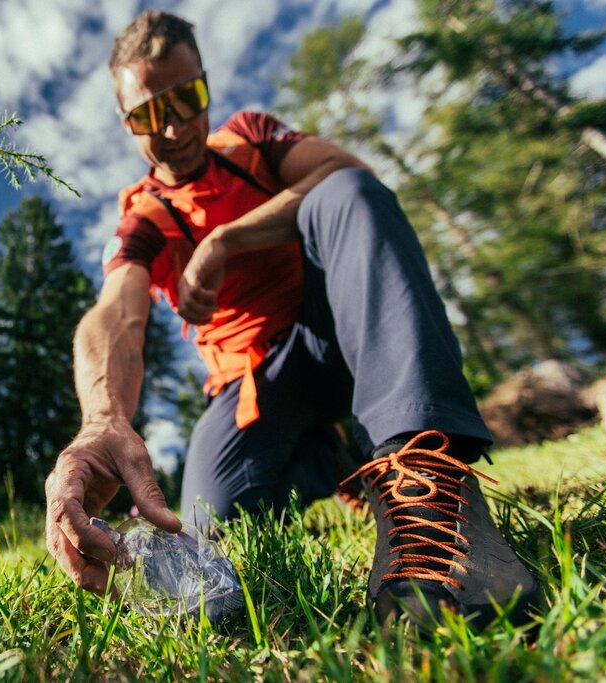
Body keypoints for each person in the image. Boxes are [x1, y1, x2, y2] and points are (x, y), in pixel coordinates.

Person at [45, 9, 538, 629]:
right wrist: (102, 420)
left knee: (347, 194)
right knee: (211, 522)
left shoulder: (250, 141)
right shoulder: (144, 215)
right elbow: (116, 310)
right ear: (126, 124)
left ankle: (429, 489)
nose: (171, 126)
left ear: (206, 87)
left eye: (186, 98)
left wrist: (226, 240)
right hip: (251, 389)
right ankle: (341, 461)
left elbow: (349, 179)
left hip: (337, 340)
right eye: (146, 114)